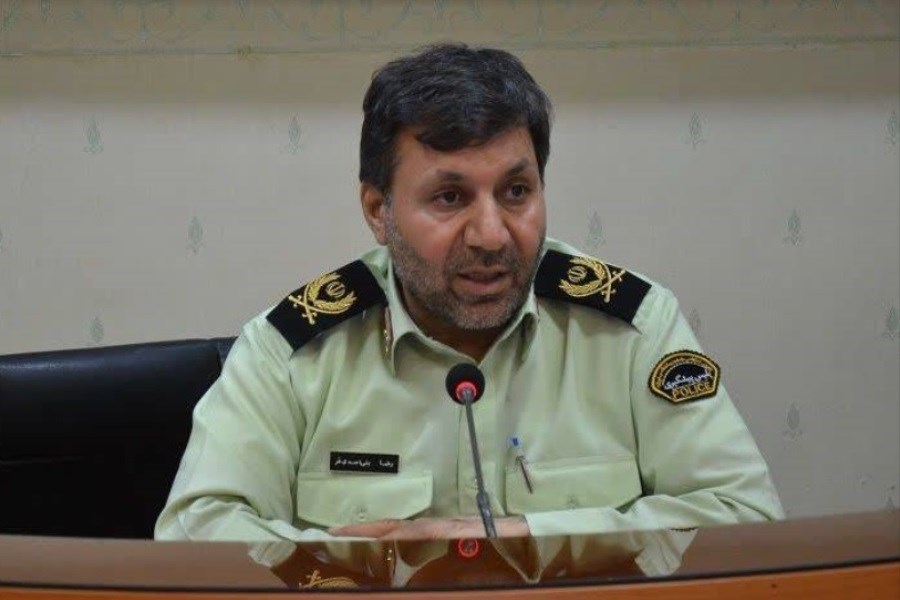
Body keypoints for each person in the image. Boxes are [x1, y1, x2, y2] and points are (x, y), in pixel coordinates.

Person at [155, 44, 783, 542]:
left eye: (516, 192)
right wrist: (373, 567)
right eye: (450, 197)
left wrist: (519, 536)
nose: (492, 235)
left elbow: (747, 519)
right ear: (378, 211)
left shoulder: (632, 328)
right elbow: (194, 535)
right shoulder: (293, 350)